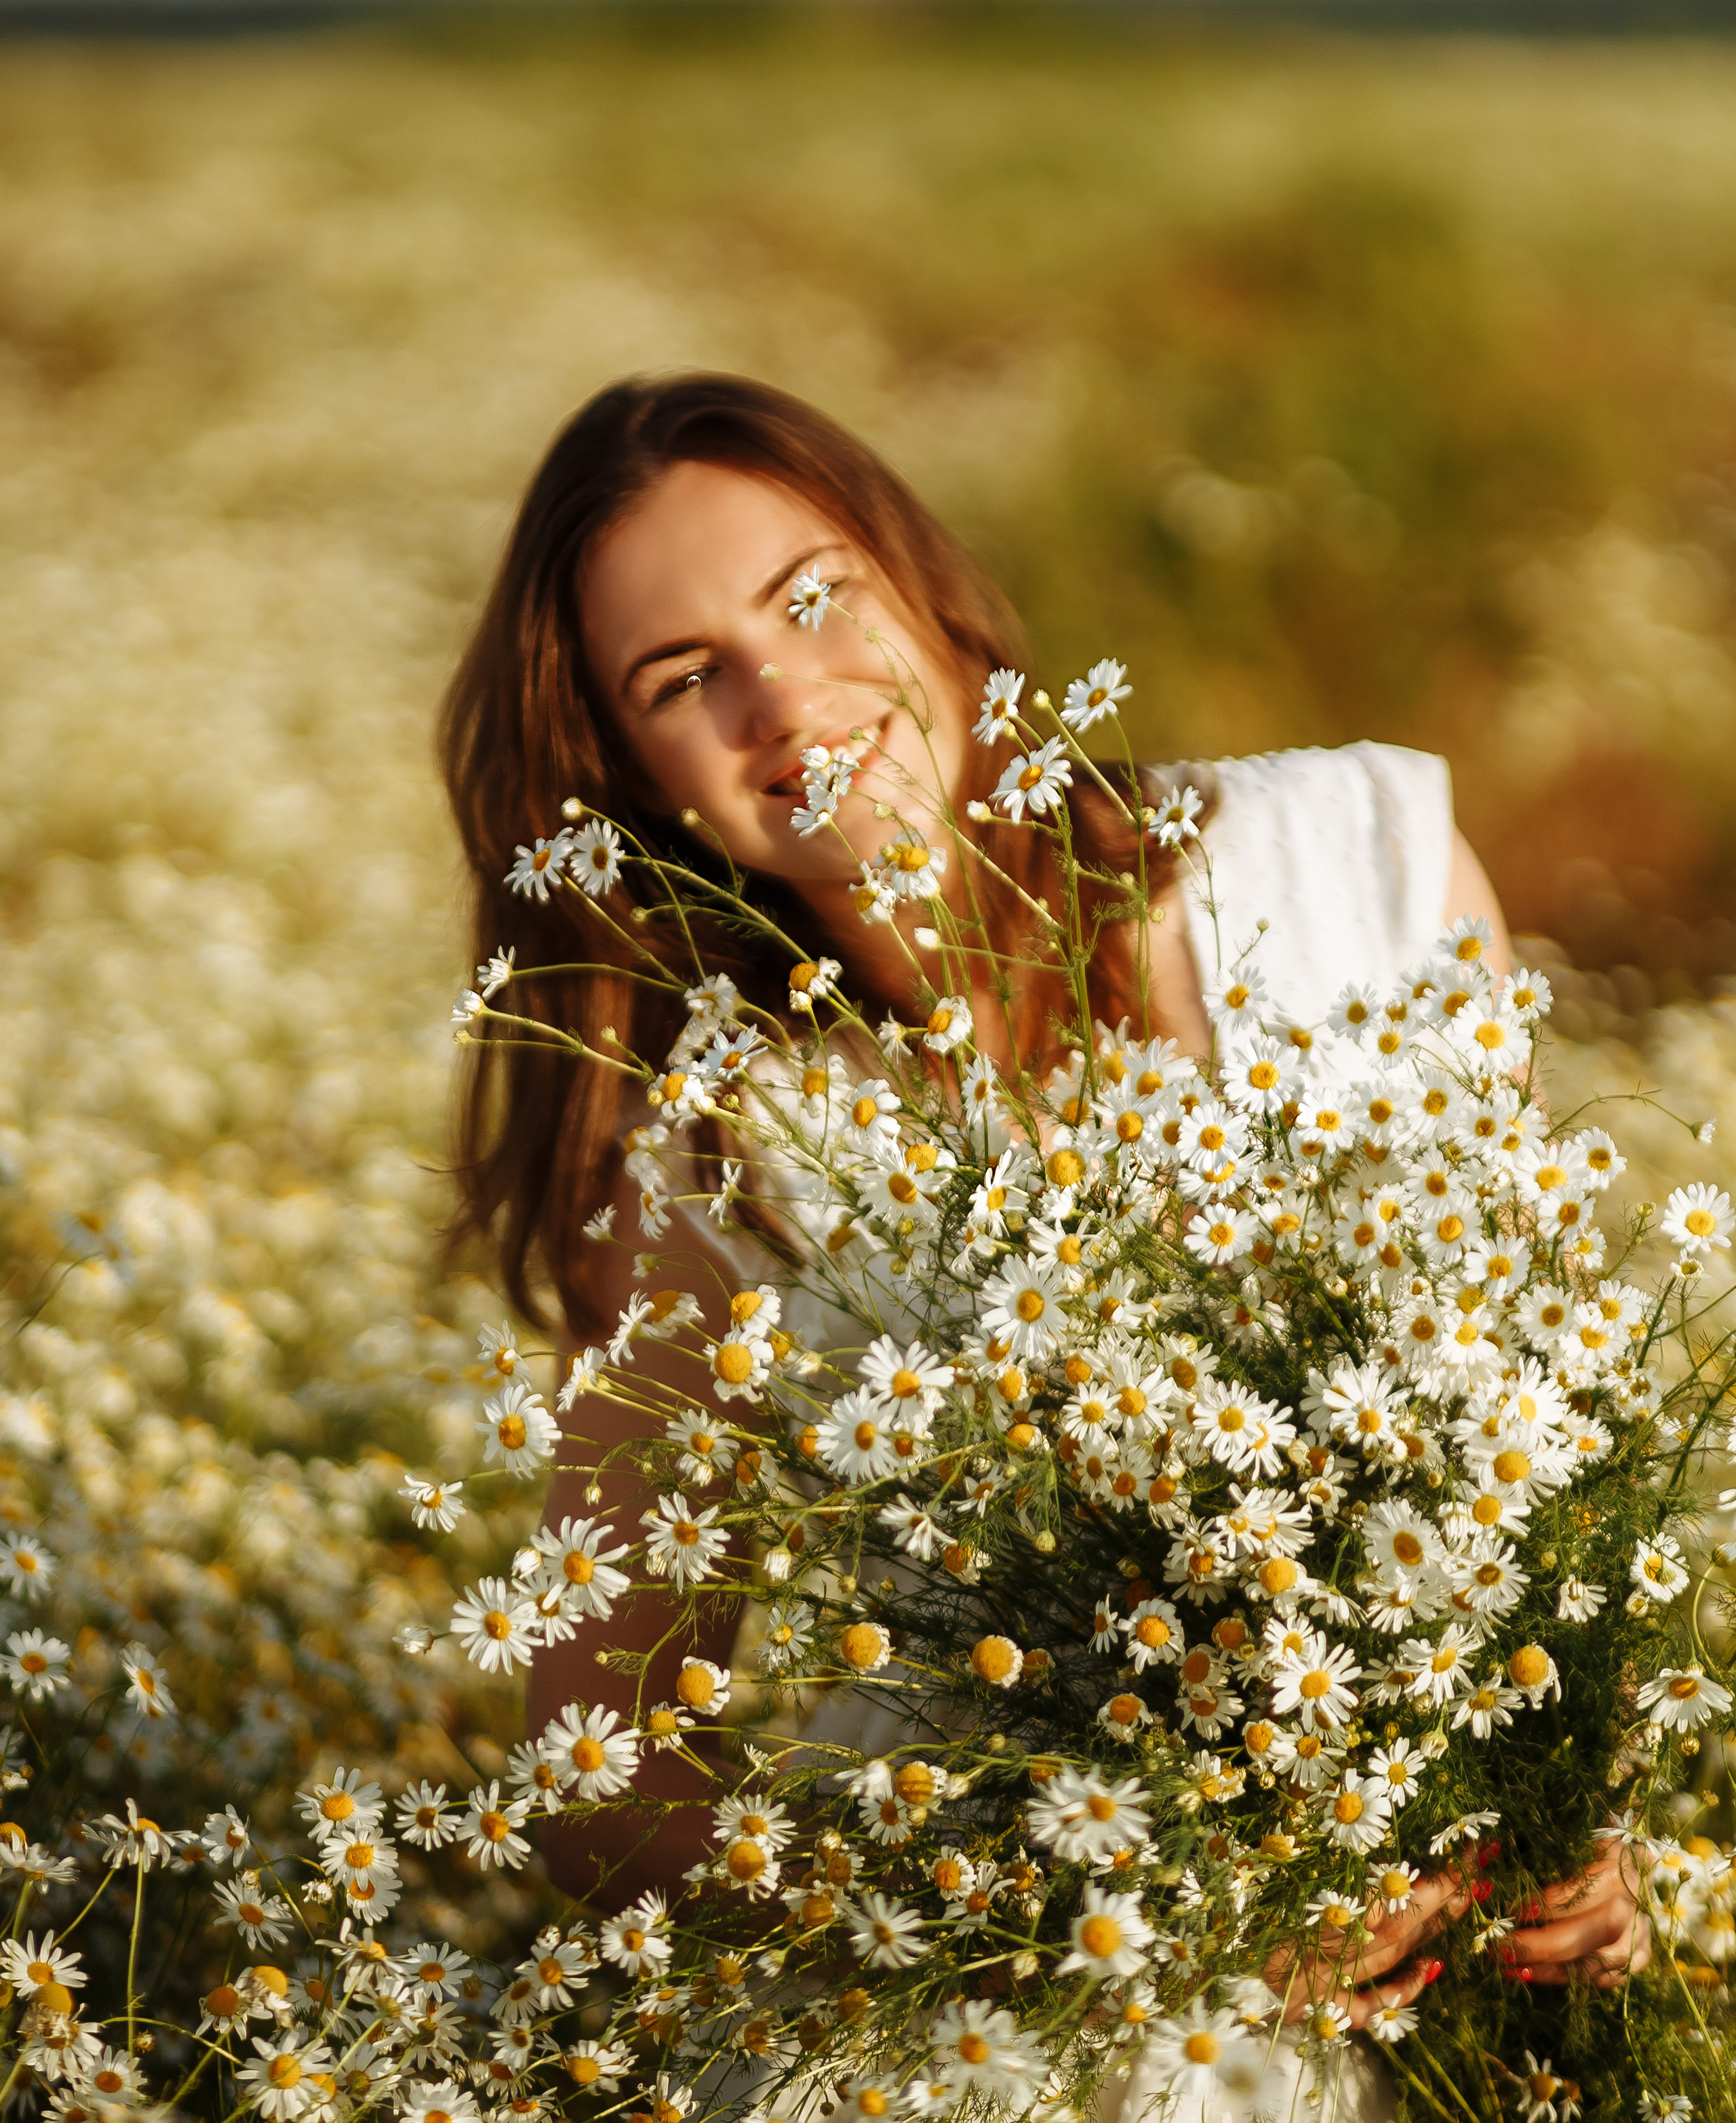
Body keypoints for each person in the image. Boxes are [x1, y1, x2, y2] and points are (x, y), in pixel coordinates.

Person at [441, 373, 1648, 2115]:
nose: (785, 697)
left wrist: (1570, 1825)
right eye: (681, 680)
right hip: (1020, 2056)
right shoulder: (730, 1158)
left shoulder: (1350, 865)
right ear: (632, 782)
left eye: (811, 595)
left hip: (1447, 2005)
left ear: (926, 591)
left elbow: (1537, 1467)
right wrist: (1090, 1921)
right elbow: (608, 1781)